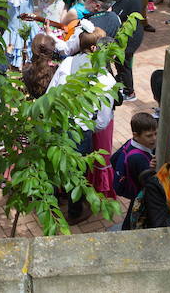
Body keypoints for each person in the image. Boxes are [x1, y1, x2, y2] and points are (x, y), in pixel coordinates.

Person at [47, 26, 118, 223]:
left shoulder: (68, 62)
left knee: (54, 163)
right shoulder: (107, 80)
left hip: (57, 122)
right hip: (80, 131)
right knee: (77, 173)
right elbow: (102, 122)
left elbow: (50, 93)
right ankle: (74, 212)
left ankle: (51, 202)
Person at [112, 0, 145, 102]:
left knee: (123, 64)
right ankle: (121, 82)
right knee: (122, 63)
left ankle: (129, 91)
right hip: (132, 36)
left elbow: (115, 16)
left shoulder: (129, 0)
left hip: (129, 39)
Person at [111, 112, 158, 200]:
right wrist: (151, 169)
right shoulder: (139, 158)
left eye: (155, 133)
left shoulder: (130, 142)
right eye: (149, 136)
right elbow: (150, 185)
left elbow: (113, 159)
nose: (154, 138)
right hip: (138, 195)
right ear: (135, 135)